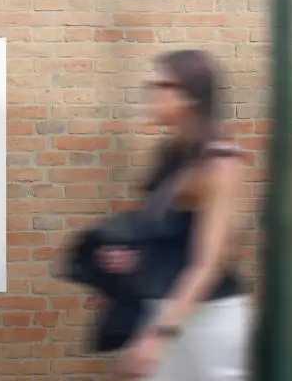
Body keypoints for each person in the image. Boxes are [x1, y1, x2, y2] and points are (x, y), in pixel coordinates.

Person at [97, 50, 253, 380]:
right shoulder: (172, 156)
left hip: (206, 318)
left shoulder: (220, 164)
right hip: (166, 313)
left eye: (161, 85)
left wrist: (158, 335)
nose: (151, 95)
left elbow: (208, 263)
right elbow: (174, 239)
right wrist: (135, 258)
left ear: (191, 96)